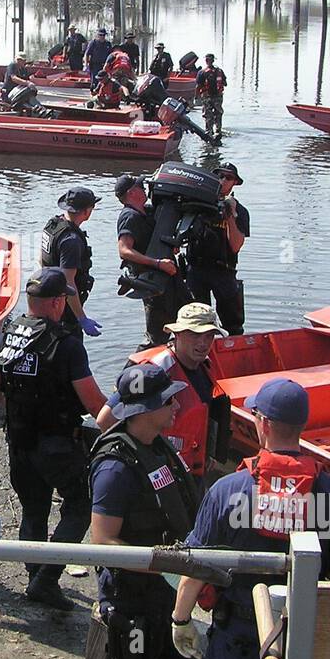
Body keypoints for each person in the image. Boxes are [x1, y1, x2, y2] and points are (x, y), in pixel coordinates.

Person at [171, 378, 330, 659]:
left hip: (238, 638)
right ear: (303, 425)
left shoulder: (227, 490)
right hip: (305, 638)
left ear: (262, 423)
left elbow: (193, 566)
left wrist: (180, 619)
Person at [88, 365, 200, 659]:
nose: (176, 406)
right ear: (145, 409)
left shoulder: (156, 445)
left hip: (157, 587)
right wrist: (167, 567)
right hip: (131, 594)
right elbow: (102, 541)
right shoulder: (115, 468)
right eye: (168, 401)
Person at [0, 268, 107, 610]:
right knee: (80, 507)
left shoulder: (7, 334)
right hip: (58, 443)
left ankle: (35, 575)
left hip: (19, 441)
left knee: (33, 510)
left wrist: (24, 410)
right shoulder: (66, 344)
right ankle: (46, 579)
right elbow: (93, 402)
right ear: (56, 303)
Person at [97, 303, 231, 481]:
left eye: (209, 336)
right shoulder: (153, 370)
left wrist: (209, 454)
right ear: (177, 334)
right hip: (158, 472)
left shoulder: (205, 365)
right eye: (195, 334)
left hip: (191, 471)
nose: (203, 343)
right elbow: (105, 420)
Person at [113, 174, 188, 346]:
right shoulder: (129, 216)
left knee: (187, 320)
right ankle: (135, 371)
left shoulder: (145, 213)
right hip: (153, 283)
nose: (144, 189)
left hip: (166, 278)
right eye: (140, 186)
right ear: (132, 193)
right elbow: (124, 250)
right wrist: (158, 263)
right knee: (155, 337)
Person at [184, 162, 248, 336]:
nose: (223, 181)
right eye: (220, 176)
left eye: (228, 178)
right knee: (196, 322)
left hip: (224, 271)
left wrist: (230, 216)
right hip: (197, 269)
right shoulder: (198, 205)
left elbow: (235, 246)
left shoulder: (240, 211)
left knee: (233, 325)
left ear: (234, 182)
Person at [39, 186, 102, 336]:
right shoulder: (71, 241)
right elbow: (68, 282)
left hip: (47, 301)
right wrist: (81, 318)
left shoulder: (52, 225)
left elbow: (42, 260)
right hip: (64, 312)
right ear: (87, 212)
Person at [196, 54, 228, 138]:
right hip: (217, 97)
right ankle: (218, 131)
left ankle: (209, 132)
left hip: (207, 97)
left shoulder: (202, 72)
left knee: (208, 115)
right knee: (218, 114)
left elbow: (198, 86)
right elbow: (225, 83)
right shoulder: (219, 71)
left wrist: (197, 97)